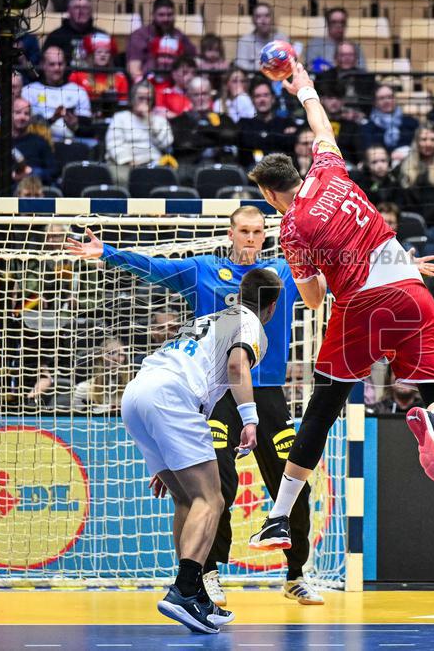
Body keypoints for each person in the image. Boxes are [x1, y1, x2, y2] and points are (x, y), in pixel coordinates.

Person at [245, 59, 434, 554]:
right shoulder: (329, 169)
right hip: (410, 286)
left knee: (321, 410)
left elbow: (315, 298)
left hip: (360, 306)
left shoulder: (291, 228)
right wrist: (303, 85)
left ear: (269, 193)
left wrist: (316, 271)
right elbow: (321, 125)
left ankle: (278, 520)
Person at [66, 205, 322, 606]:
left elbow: (335, 274)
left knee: (292, 481)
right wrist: (109, 254)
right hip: (219, 395)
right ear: (230, 233)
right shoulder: (205, 270)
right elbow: (156, 267)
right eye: (244, 231)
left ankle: (295, 574)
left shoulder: (280, 273)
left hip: (267, 392)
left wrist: (398, 268)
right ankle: (208, 573)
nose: (251, 238)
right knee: (216, 486)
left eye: (257, 231)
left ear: (265, 235)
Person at [118, 268, 280, 633]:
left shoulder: (207, 319)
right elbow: (237, 365)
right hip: (171, 397)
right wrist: (250, 418)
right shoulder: (251, 324)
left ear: (239, 293)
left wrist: (168, 454)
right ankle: (185, 590)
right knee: (211, 499)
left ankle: (197, 597)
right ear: (271, 307)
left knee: (188, 499)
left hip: (136, 395)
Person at [104, 81, 173, 185]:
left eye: (148, 99)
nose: (144, 102)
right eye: (141, 98)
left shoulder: (159, 120)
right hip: (125, 165)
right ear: (132, 99)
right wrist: (129, 161)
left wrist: (151, 122)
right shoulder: (120, 117)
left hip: (153, 165)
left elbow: (166, 144)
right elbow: (113, 144)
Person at [170, 76, 239, 181]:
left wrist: (200, 129)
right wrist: (216, 138)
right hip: (189, 170)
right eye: (196, 95)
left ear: (211, 95)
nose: (201, 98)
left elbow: (231, 135)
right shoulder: (179, 121)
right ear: (188, 96)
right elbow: (183, 144)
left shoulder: (223, 118)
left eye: (205, 94)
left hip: (221, 166)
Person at [22, 45, 93, 143]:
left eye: (60, 64)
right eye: (52, 64)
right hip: (37, 142)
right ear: (43, 65)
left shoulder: (78, 91)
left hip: (72, 143)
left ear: (65, 65)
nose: (57, 68)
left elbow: (87, 124)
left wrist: (75, 124)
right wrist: (53, 119)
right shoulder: (29, 90)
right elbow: (23, 124)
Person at [0, 98, 57, 186]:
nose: (22, 117)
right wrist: (13, 176)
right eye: (17, 113)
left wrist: (32, 172)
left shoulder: (40, 142)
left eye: (26, 114)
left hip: (36, 188)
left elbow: (53, 171)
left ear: (31, 118)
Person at [127, 0, 197, 82]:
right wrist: (144, 85)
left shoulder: (178, 35)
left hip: (177, 84)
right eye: (161, 15)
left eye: (169, 14)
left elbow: (194, 60)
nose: (166, 19)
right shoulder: (140, 35)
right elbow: (134, 70)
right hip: (148, 83)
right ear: (153, 15)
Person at [237, 78, 297, 168]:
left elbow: (290, 145)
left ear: (273, 98)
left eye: (265, 95)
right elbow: (245, 144)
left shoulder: (287, 122)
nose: (262, 99)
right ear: (252, 100)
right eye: (257, 96)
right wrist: (279, 138)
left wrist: (259, 139)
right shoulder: (244, 124)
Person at [43, 0, 107, 71]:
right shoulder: (56, 37)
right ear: (68, 10)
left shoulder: (101, 36)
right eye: (77, 7)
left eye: (85, 7)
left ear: (91, 11)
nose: (81, 11)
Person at [69, 33, 130, 117]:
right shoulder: (76, 76)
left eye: (107, 52)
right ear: (90, 55)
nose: (103, 55)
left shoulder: (120, 78)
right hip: (83, 118)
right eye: (98, 52)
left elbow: (123, 106)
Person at [71, 337, 133, 413]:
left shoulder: (133, 390)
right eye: (110, 353)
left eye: (120, 354)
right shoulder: (83, 389)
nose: (115, 359)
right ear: (100, 358)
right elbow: (76, 417)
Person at [314, 42, 376, 115]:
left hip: (359, 118)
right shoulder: (324, 77)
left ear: (356, 57)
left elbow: (370, 106)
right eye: (342, 55)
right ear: (335, 57)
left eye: (350, 55)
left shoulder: (367, 78)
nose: (347, 58)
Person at [361, 84, 418, 159]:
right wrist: (389, 155)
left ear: (395, 99)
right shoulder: (367, 127)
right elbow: (369, 150)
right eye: (381, 98)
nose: (387, 101)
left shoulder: (411, 122)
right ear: (375, 102)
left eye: (390, 97)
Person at [305, 8, 367, 72]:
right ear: (328, 24)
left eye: (342, 22)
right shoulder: (315, 45)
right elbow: (309, 68)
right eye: (334, 22)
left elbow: (362, 70)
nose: (339, 25)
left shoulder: (354, 46)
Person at [234, 2, 288, 72]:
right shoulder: (244, 41)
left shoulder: (282, 39)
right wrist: (265, 66)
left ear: (272, 19)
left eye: (267, 16)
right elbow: (241, 65)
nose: (263, 20)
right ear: (253, 20)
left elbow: (287, 63)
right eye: (258, 16)